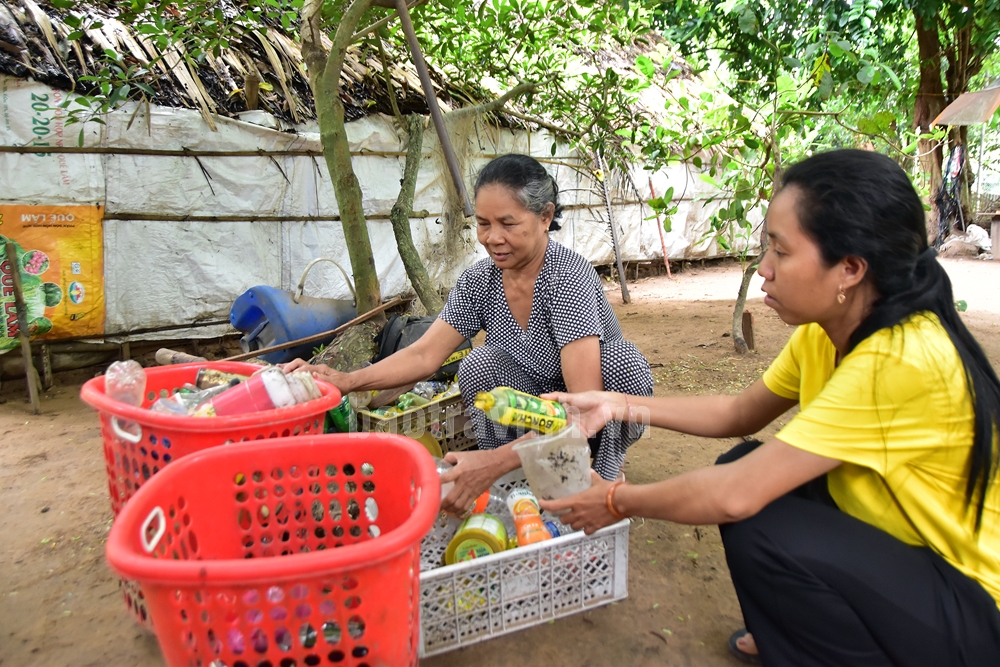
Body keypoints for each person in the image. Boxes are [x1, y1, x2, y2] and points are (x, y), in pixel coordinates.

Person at [539, 150, 1000, 666]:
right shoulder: (828, 334)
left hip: (973, 607)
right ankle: (801, 629)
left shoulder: (901, 360)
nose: (764, 269)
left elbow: (735, 497)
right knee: (743, 467)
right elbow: (737, 415)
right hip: (904, 553)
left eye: (780, 252)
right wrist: (615, 403)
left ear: (849, 269)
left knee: (758, 517)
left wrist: (615, 501)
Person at [284, 153, 653, 517]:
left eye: (508, 223)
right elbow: (423, 355)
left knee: (624, 362)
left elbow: (581, 406)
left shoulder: (567, 276)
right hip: (533, 407)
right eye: (483, 223)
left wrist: (494, 460)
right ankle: (515, 482)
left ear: (545, 217)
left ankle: (600, 477)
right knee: (479, 364)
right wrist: (348, 380)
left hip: (586, 412)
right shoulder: (481, 280)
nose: (493, 238)